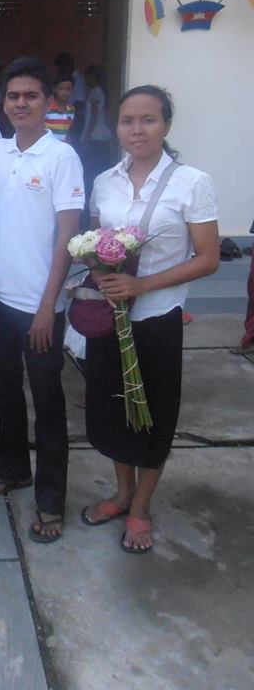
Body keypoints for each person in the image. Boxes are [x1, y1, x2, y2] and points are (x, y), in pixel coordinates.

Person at [81, 86, 219, 554]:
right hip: (111, 319)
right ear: (116, 126)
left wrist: (141, 286)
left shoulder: (191, 182)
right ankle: (121, 493)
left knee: (153, 413)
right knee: (116, 408)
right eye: (127, 121)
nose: (136, 130)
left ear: (166, 125)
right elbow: (99, 245)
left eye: (148, 120)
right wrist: (100, 274)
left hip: (157, 318)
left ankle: (141, 507)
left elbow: (208, 258)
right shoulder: (105, 181)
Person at [0, 56, 85, 544]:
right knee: (4, 392)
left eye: (31, 96)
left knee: (48, 401)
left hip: (41, 307)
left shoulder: (62, 158)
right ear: (3, 103)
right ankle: (13, 468)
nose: (21, 103)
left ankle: (50, 497)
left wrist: (48, 306)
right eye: (13, 96)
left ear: (49, 102)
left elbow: (67, 237)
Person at [79, 65, 113, 209]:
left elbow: (93, 117)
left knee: (90, 175)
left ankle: (90, 208)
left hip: (94, 138)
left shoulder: (94, 93)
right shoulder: (100, 92)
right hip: (101, 138)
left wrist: (86, 137)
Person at [45, 73, 76, 142]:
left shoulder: (71, 110)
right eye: (61, 88)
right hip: (48, 147)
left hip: (62, 149)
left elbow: (67, 132)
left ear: (72, 91)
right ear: (54, 89)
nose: (64, 92)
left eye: (68, 89)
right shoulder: (47, 108)